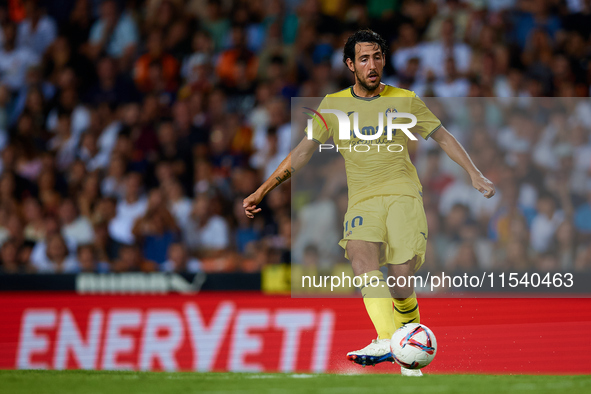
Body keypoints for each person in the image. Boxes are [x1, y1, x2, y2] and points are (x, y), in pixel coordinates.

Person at [243, 29, 495, 377]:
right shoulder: (332, 105)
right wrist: (263, 188)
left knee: (401, 279)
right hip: (362, 201)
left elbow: (442, 136)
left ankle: (407, 361)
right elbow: (302, 152)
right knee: (362, 259)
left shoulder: (405, 99)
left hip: (403, 194)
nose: (372, 64)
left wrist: (474, 173)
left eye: (377, 56)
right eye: (364, 58)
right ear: (351, 64)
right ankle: (388, 340)